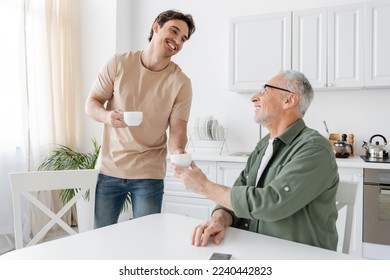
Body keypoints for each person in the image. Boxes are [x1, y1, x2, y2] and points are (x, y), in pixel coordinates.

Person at [173, 70, 339, 251]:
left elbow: (271, 204)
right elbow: (239, 194)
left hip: (298, 258)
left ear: (289, 100)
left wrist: (204, 186)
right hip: (255, 249)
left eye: (265, 90)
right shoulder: (263, 146)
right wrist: (219, 218)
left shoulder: (314, 149)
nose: (254, 98)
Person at [85, 10, 196, 228]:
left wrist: (178, 152)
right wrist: (108, 116)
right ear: (156, 26)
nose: (177, 41)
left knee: (148, 238)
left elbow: (177, 131)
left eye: (183, 39)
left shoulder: (181, 82)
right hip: (110, 168)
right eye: (174, 31)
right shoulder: (118, 63)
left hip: (149, 173)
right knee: (101, 237)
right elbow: (92, 104)